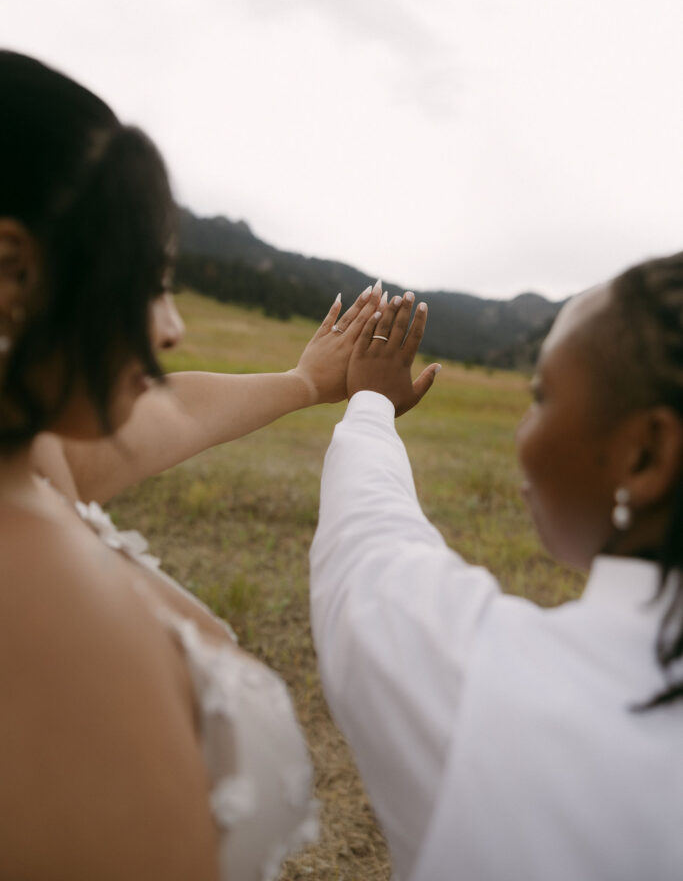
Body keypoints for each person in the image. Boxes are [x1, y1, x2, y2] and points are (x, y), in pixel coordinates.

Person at [0, 50, 384, 880]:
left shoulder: (30, 461)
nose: (170, 328)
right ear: (12, 270)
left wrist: (304, 381)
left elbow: (148, 424)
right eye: (146, 283)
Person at [310, 257, 683, 881]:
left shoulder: (501, 699)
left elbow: (367, 554)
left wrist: (371, 401)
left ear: (645, 454)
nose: (522, 430)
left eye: (541, 397)